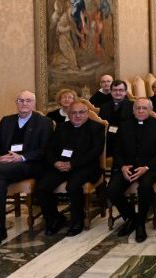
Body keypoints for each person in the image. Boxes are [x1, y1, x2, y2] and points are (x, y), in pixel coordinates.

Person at [0, 91, 53, 249]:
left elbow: (45, 151)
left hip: (30, 165)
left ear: (34, 104)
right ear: (16, 103)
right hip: (4, 167)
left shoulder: (44, 122)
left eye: (28, 101)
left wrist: (21, 157)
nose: (24, 103)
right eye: (21, 100)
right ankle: (0, 231)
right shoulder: (6, 121)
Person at [35, 100, 104, 237]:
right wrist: (55, 162)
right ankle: (55, 218)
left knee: (73, 186)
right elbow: (49, 149)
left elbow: (95, 152)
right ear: (68, 113)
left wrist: (72, 164)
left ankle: (77, 220)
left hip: (85, 167)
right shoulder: (61, 127)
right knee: (42, 187)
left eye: (81, 112)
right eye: (73, 113)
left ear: (87, 113)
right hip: (60, 166)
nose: (77, 116)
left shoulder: (97, 127)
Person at [107, 98, 156, 243]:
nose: (141, 111)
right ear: (133, 110)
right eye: (138, 108)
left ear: (150, 110)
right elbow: (116, 150)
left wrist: (147, 167)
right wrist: (122, 166)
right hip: (127, 167)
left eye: (144, 108)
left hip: (150, 168)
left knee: (145, 187)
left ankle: (140, 224)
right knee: (112, 190)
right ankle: (132, 218)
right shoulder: (124, 125)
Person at [98, 80, 134, 157]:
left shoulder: (133, 106)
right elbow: (100, 126)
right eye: (115, 90)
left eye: (121, 90)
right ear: (111, 91)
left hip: (126, 142)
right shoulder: (104, 107)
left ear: (125, 92)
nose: (118, 93)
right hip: (108, 141)